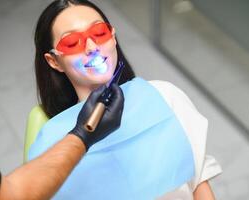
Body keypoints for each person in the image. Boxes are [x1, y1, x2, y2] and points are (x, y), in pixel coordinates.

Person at [28, 0, 222, 199]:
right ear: (54, 61)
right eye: (72, 42)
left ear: (113, 37)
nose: (92, 47)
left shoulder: (165, 96)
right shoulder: (52, 143)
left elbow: (199, 182)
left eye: (99, 32)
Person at [0, 84, 124, 200]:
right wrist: (82, 135)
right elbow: (11, 194)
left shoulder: (144, 92)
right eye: (71, 47)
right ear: (54, 61)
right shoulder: (47, 136)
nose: (91, 48)